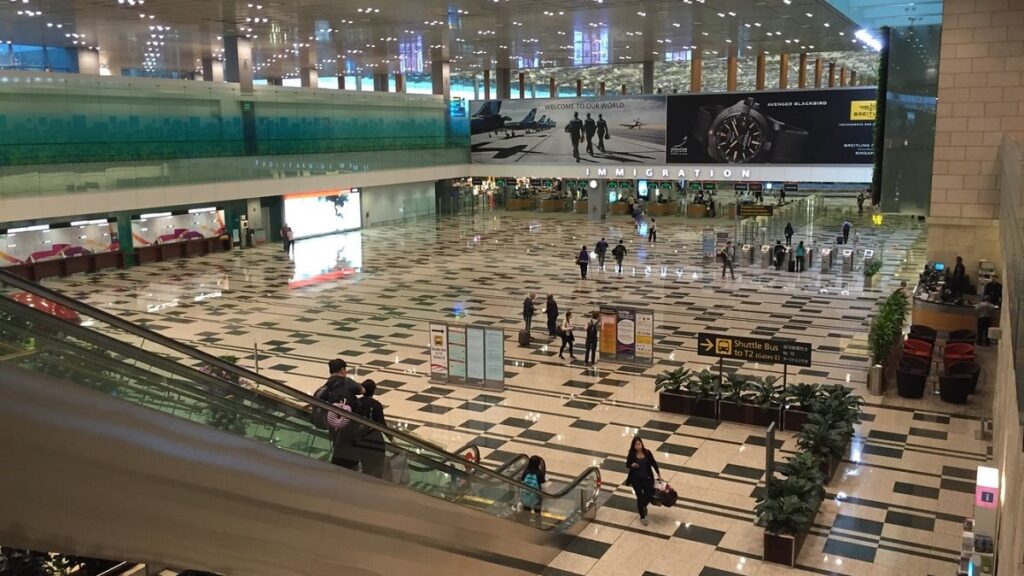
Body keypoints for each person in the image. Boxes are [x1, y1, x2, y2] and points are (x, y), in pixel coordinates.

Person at [354, 379, 388, 479]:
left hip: (361, 438)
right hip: (376, 439)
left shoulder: (357, 402)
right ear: (374, 390)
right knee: (378, 469)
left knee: (366, 468)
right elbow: (382, 424)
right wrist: (392, 438)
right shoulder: (376, 405)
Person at [625, 436, 661, 526]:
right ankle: (642, 516)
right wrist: (632, 465)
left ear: (642, 443)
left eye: (639, 444)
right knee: (640, 496)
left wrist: (659, 474)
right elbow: (627, 464)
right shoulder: (632, 454)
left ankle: (643, 506)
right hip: (635, 479)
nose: (638, 446)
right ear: (633, 446)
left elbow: (653, 463)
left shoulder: (647, 453)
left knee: (648, 495)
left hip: (647, 478)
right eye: (636, 444)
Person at [520, 455, 546, 526]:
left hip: (526, 496)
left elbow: (522, 482)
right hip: (537, 496)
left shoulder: (525, 471)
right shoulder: (539, 473)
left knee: (526, 512)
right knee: (537, 513)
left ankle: (525, 525)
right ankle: (538, 526)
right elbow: (543, 485)